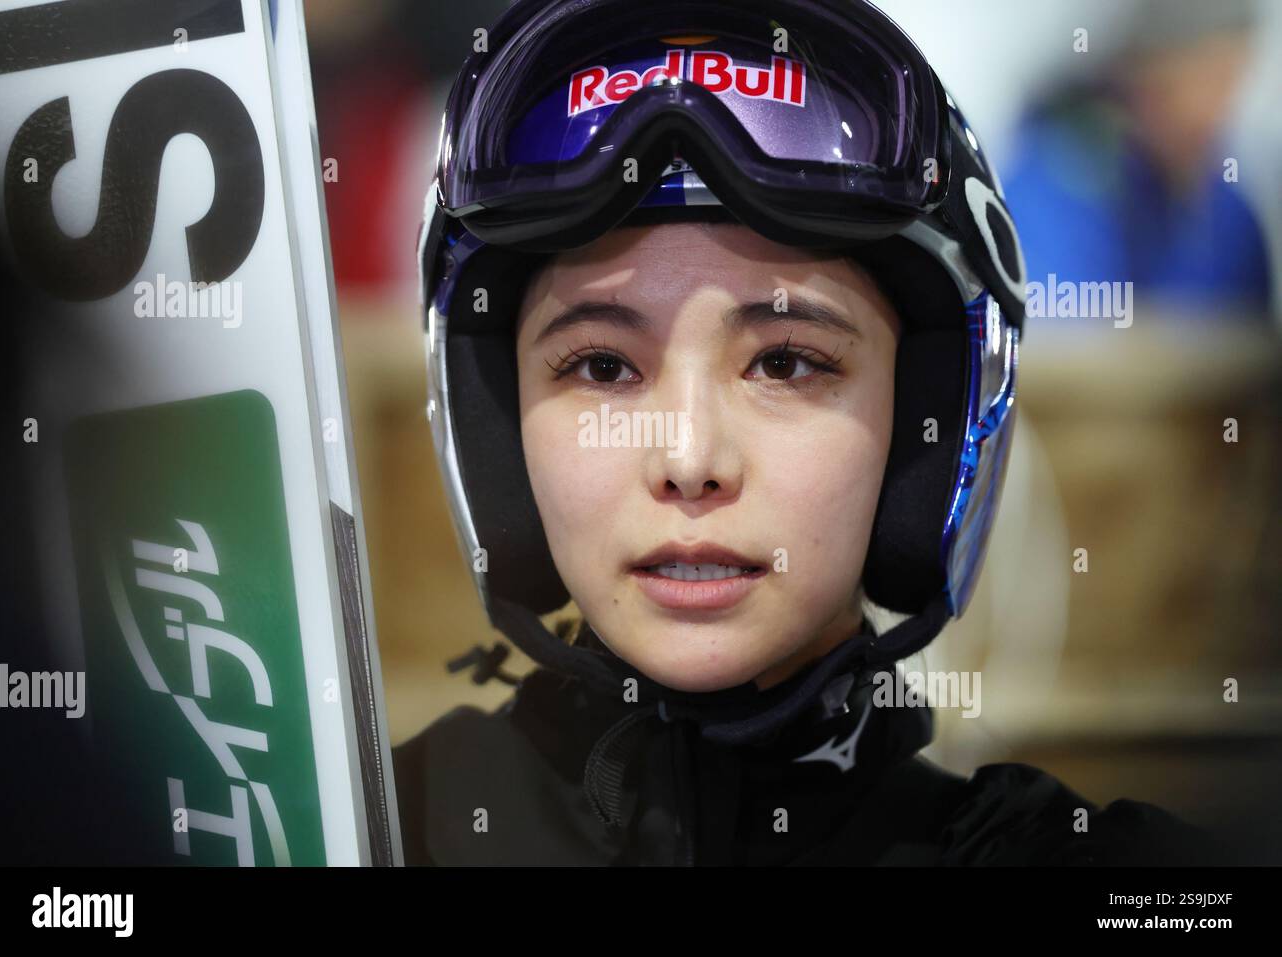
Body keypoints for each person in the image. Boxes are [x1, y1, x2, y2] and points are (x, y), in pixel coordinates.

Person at [395, 0, 1226, 865]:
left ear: (919, 426)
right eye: (603, 367)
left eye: (786, 363)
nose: (690, 461)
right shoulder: (354, 829)